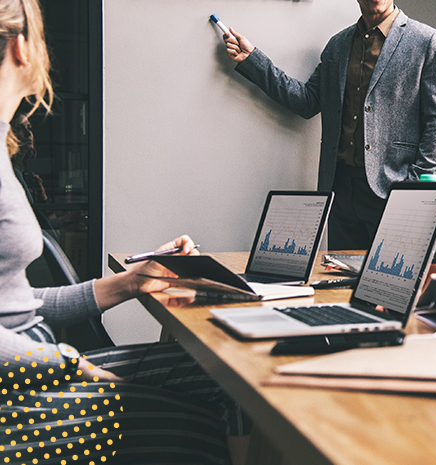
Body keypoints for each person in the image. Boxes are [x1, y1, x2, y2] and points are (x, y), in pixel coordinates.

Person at [0, 1, 249, 462]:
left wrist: (133, 281)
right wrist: (74, 369)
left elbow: (12, 307)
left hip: (34, 371)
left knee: (227, 371)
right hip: (17, 405)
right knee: (207, 408)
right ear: (22, 48)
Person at [223, 0, 436, 250]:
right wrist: (254, 61)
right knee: (341, 285)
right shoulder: (338, 45)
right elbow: (307, 101)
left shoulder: (427, 41)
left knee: (392, 285)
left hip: (394, 190)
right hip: (340, 192)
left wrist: (415, 187)